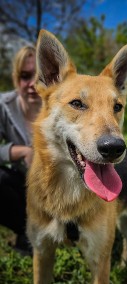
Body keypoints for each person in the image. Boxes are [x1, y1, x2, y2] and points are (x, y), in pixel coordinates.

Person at [0, 45, 41, 254]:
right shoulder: (4, 105)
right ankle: (25, 231)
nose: (32, 84)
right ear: (16, 79)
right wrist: (21, 151)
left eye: (39, 75)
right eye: (26, 76)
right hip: (23, 183)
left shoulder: (63, 104)